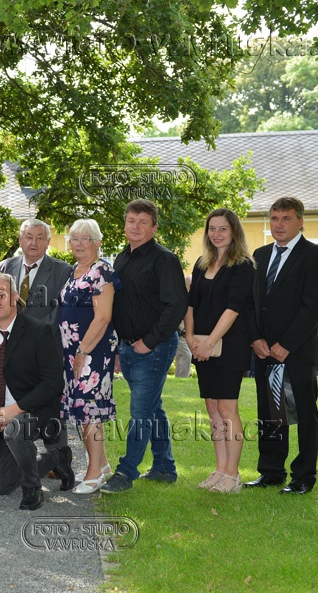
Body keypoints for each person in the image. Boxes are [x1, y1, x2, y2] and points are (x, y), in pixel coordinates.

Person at [245, 197, 318, 494]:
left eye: (286, 218)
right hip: (264, 350)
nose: (279, 224)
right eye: (274, 218)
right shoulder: (260, 254)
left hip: (298, 351)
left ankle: (303, 477)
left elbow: (313, 306)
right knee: (270, 413)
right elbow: (252, 302)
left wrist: (287, 344)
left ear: (300, 221)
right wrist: (255, 338)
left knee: (304, 413)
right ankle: (271, 472)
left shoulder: (316, 256)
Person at [102, 199, 188, 494]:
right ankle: (164, 467)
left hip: (155, 347)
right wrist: (118, 347)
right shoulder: (121, 259)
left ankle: (126, 472)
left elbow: (176, 305)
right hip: (128, 348)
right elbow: (118, 306)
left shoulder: (164, 260)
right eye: (131, 221)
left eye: (142, 222)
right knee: (153, 407)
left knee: (140, 411)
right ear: (124, 224)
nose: (135, 227)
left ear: (154, 227)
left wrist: (149, 342)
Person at [0, 273, 67, 510]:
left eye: (1, 295)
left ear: (14, 297)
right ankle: (57, 457)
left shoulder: (38, 330)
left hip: (37, 411)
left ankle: (32, 489)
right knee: (0, 486)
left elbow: (53, 383)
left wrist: (14, 410)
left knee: (15, 427)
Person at [184, 209, 256, 494]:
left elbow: (233, 308)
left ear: (234, 231)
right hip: (202, 345)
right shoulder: (202, 263)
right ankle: (220, 469)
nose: (216, 234)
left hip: (229, 346)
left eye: (222, 228)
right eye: (212, 228)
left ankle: (233, 475)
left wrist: (209, 342)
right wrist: (190, 337)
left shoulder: (243, 265)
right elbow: (191, 303)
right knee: (212, 407)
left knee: (227, 408)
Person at [0, 218, 74, 487]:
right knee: (18, 401)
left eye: (40, 237)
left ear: (48, 242)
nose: (33, 242)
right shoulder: (5, 267)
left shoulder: (63, 270)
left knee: (50, 405)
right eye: (28, 237)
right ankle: (26, 459)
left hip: (47, 350)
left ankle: (59, 461)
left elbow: (61, 314)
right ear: (20, 240)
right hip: (11, 351)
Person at [57, 219, 118, 494]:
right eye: (74, 239)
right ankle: (101, 465)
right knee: (81, 409)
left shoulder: (101, 271)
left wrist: (83, 351)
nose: (79, 244)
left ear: (97, 243)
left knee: (89, 408)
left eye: (86, 239)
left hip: (92, 350)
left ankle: (94, 474)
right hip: (72, 351)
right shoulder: (74, 271)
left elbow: (103, 317)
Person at [174, 276, 193, 378]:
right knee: (186, 354)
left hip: (186, 334)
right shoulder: (180, 299)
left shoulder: (191, 299)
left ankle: (181, 377)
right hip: (180, 333)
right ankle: (182, 377)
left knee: (185, 355)